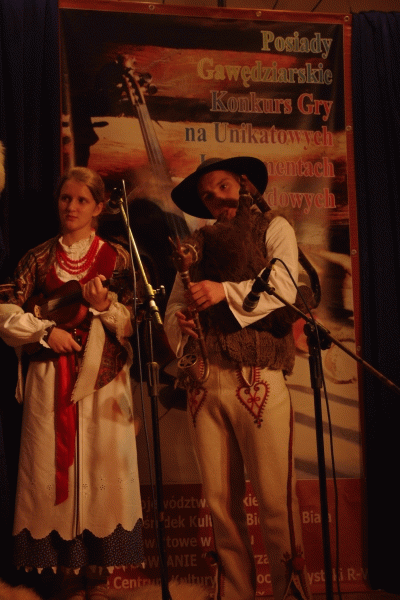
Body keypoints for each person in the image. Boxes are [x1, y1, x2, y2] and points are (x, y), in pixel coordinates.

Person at [164, 157, 313, 600]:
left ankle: (291, 593)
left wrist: (223, 292)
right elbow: (174, 305)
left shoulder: (274, 227)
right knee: (219, 504)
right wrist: (182, 323)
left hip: (257, 379)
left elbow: (285, 286)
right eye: (208, 196)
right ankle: (234, 594)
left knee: (275, 500)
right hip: (206, 382)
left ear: (244, 185)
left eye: (223, 187)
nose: (217, 199)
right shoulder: (196, 245)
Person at [0, 167, 144, 600]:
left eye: (82, 200)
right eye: (66, 198)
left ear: (99, 207)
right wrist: (46, 333)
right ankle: (63, 575)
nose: (72, 207)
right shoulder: (37, 258)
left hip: (102, 381)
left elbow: (131, 321)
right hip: (50, 379)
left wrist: (103, 307)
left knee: (101, 465)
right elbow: (5, 311)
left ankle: (96, 576)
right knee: (51, 466)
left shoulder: (117, 257)